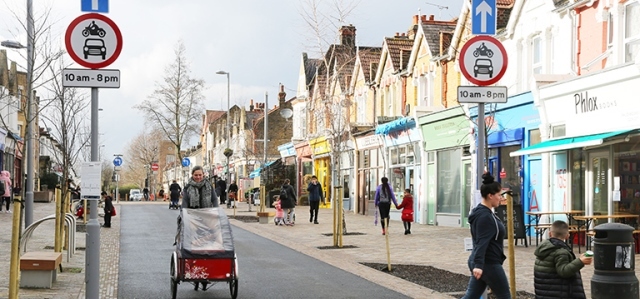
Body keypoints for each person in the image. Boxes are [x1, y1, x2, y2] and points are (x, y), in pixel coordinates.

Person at [462, 173, 510, 299]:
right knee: (504, 296)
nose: (501, 198)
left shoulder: (484, 213)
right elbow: (482, 242)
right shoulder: (485, 216)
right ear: (490, 196)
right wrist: (478, 265)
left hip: (483, 261)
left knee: (471, 296)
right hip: (489, 263)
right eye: (499, 195)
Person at [181, 166, 219, 292]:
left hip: (207, 217)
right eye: (196, 175)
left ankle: (207, 270)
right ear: (192, 175)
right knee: (195, 243)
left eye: (200, 175)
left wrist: (215, 212)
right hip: (193, 218)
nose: (198, 177)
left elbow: (214, 200)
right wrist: (185, 215)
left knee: (210, 242)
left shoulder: (209, 186)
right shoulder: (187, 188)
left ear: (203, 175)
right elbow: (185, 203)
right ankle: (196, 271)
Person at [534, 220, 591, 298]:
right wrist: (580, 261)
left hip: (544, 293)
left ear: (550, 233)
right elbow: (564, 271)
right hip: (559, 294)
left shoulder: (543, 249)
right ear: (567, 236)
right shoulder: (561, 252)